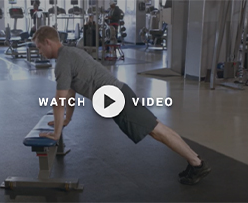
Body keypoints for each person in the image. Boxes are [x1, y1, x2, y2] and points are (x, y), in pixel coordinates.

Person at [32, 26, 211, 185]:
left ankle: (196, 164)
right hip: (119, 94)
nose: (40, 52)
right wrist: (67, 119)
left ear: (48, 42)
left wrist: (56, 133)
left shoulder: (63, 61)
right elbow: (70, 93)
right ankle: (194, 160)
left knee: (157, 131)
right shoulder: (71, 53)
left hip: (117, 100)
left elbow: (59, 99)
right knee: (157, 129)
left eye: (40, 48)